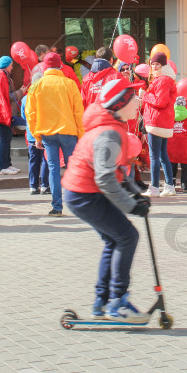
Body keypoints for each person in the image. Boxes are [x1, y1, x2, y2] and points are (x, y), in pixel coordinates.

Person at [62, 77, 149, 322]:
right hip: (85, 195)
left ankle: (102, 302)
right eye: (132, 97)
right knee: (127, 237)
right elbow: (105, 179)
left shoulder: (110, 126)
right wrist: (131, 206)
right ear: (120, 103)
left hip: (83, 192)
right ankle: (117, 303)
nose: (137, 101)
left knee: (115, 240)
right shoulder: (108, 134)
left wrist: (134, 193)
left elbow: (116, 171)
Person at [26, 52, 85, 216]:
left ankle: (57, 207)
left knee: (53, 169)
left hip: (47, 133)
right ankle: (78, 204)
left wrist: (36, 136)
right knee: (72, 168)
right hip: (68, 131)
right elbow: (78, 112)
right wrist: (81, 134)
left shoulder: (36, 86)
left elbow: (30, 114)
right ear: (60, 66)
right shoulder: (70, 84)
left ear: (45, 66)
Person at [141, 52, 177, 196]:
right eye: (153, 64)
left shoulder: (162, 80)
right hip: (162, 121)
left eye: (157, 64)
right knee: (162, 155)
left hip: (156, 121)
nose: (154, 66)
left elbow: (160, 102)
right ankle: (169, 185)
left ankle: (154, 187)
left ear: (163, 65)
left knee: (154, 156)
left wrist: (145, 95)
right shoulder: (167, 79)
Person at [0, 55, 26, 175]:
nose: (12, 67)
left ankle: (7, 165)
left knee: (7, 140)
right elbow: (5, 98)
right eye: (11, 65)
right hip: (3, 114)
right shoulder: (0, 77)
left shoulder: (2, 76)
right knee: (5, 140)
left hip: (5, 114)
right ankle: (3, 166)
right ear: (6, 65)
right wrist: (21, 91)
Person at [168, 96, 187, 193]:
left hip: (171, 145)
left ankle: (171, 184)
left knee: (171, 167)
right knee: (186, 167)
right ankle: (186, 186)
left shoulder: (169, 115)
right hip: (185, 146)